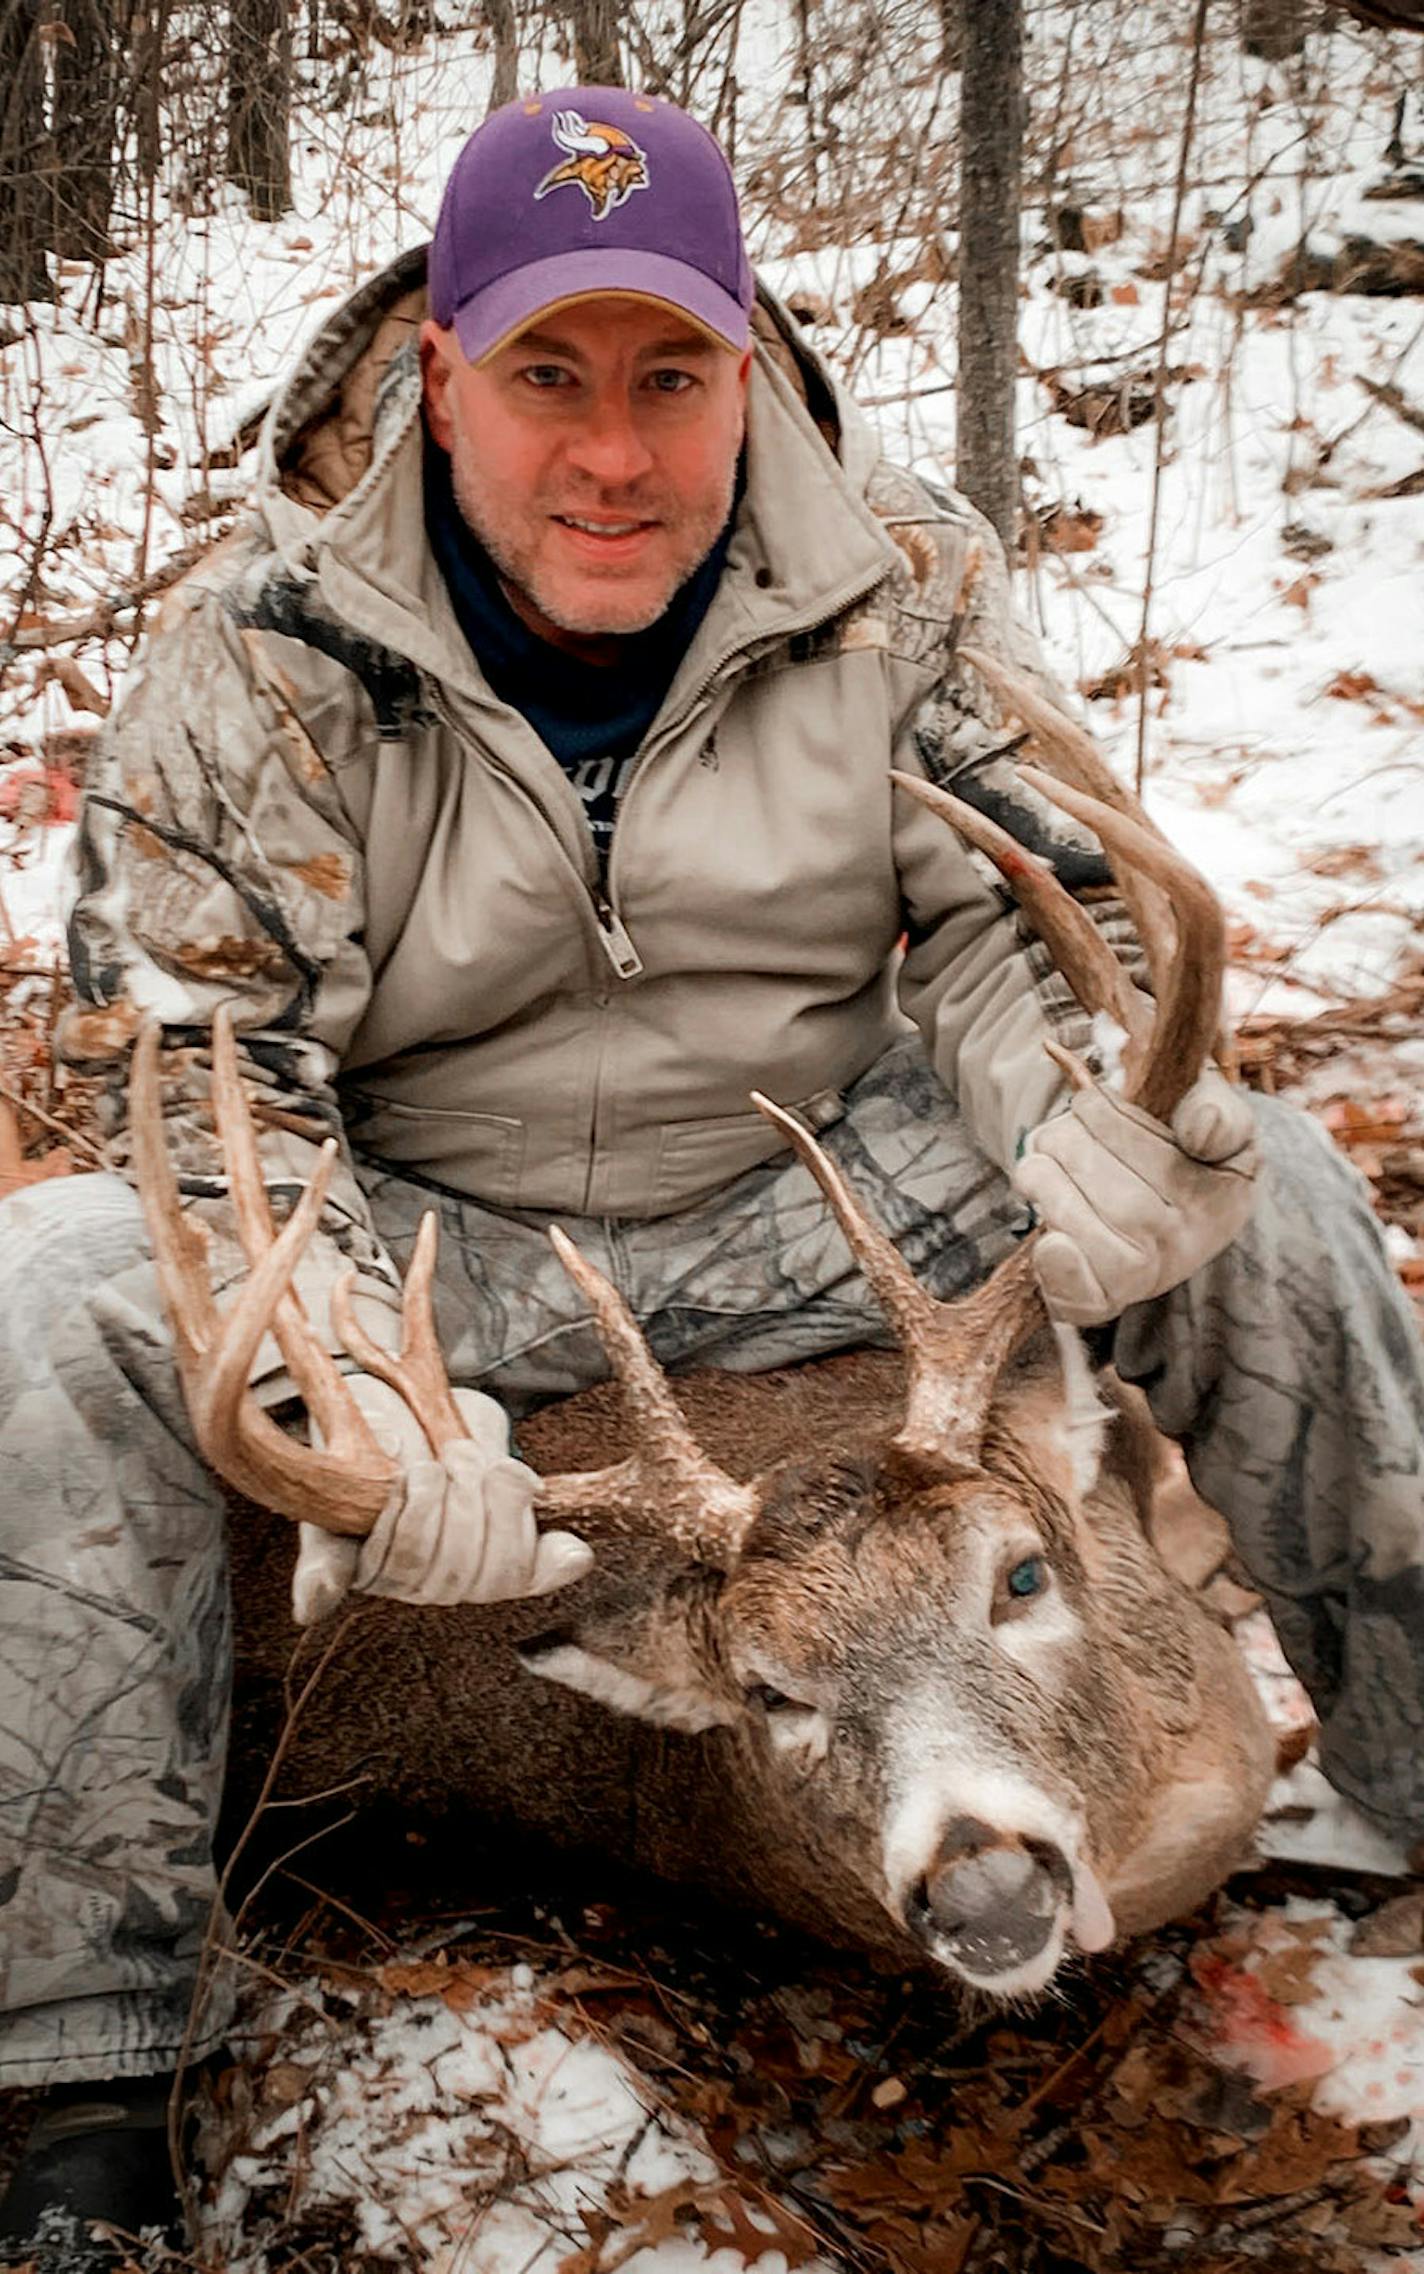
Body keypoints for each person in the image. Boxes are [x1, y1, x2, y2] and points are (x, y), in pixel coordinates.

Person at [1, 83, 1420, 2268]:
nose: (613, 449)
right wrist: (337, 1377)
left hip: (831, 1186)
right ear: (440, 374)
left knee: (1286, 1194)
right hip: (450, 1246)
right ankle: (82, 2055)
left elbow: (1029, 905)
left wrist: (1086, 1112)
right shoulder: (259, 658)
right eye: (549, 375)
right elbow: (204, 1076)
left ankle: (1408, 1778)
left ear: (743, 367)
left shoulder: (892, 569)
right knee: (59, 1288)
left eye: (671, 377)